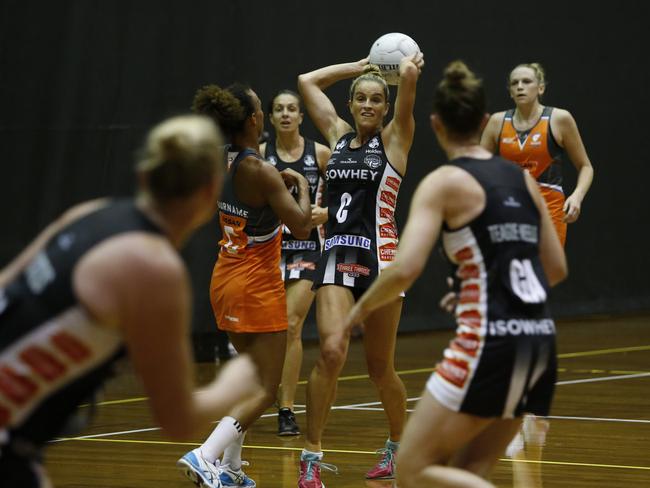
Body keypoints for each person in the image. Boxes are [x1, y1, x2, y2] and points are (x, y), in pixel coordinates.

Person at [0, 115, 261, 488]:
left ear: (143, 176)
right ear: (210, 193)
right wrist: (238, 382)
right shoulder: (154, 268)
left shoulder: (90, 212)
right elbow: (178, 420)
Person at [344, 60, 567, 488]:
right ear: (485, 121)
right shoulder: (524, 182)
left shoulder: (444, 181)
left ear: (436, 125)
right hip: (539, 343)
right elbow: (555, 269)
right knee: (466, 471)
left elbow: (405, 268)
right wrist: (480, 288)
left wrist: (355, 316)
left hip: (489, 344)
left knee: (410, 470)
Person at [296, 51, 424, 487]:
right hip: (338, 254)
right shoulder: (337, 136)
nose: (369, 105)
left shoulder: (394, 140)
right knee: (331, 352)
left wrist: (404, 72)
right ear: (351, 105)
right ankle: (310, 455)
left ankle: (396, 444)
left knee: (379, 369)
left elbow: (407, 88)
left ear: (386, 108)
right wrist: (363, 66)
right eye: (361, 99)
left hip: (382, 260)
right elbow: (307, 81)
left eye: (376, 99)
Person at [177, 83, 312, 488]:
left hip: (225, 279)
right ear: (255, 118)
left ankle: (232, 470)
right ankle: (205, 455)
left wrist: (275, 191)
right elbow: (303, 227)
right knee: (267, 390)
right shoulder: (259, 170)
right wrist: (301, 187)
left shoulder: (222, 160)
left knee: (250, 380)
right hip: (255, 285)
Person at [259, 89, 331, 436]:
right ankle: (260, 395)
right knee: (264, 332)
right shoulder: (259, 156)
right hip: (266, 251)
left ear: (302, 116)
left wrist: (325, 213)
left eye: (292, 109)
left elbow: (349, 200)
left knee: (291, 325)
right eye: (279, 109)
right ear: (270, 118)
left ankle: (286, 409)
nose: (286, 114)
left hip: (306, 249)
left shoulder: (320, 154)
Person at [480, 62, 594, 246]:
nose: (520, 87)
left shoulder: (559, 119)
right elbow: (479, 169)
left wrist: (577, 197)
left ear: (540, 88)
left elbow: (586, 167)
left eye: (526, 81)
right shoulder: (497, 122)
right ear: (510, 91)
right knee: (510, 268)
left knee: (546, 272)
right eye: (514, 83)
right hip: (509, 205)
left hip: (550, 208)